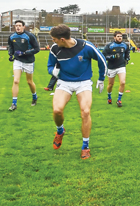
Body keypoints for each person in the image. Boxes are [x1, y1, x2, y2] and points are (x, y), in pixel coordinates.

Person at [47, 24, 107, 160]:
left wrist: (101, 78)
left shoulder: (86, 47)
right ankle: (60, 130)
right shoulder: (55, 49)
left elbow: (102, 60)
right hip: (64, 82)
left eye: (54, 39)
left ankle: (85, 146)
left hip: (83, 83)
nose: (53, 41)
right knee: (57, 110)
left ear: (62, 39)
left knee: (85, 112)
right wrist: (53, 71)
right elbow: (50, 65)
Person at [7, 20, 40, 111]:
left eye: (19, 25)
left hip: (28, 61)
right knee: (16, 81)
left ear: (23, 27)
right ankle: (14, 104)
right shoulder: (12, 36)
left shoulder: (30, 36)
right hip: (18, 61)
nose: (17, 27)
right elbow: (10, 46)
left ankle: (34, 96)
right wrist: (10, 54)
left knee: (29, 82)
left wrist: (24, 53)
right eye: (16, 25)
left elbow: (37, 49)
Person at [102, 31, 130, 107]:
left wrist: (127, 58)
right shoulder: (109, 46)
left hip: (121, 66)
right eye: (118, 36)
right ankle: (109, 97)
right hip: (111, 67)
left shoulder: (125, 45)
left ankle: (119, 100)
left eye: (121, 36)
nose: (120, 37)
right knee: (111, 84)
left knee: (123, 82)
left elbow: (127, 51)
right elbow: (103, 55)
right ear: (114, 37)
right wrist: (112, 57)